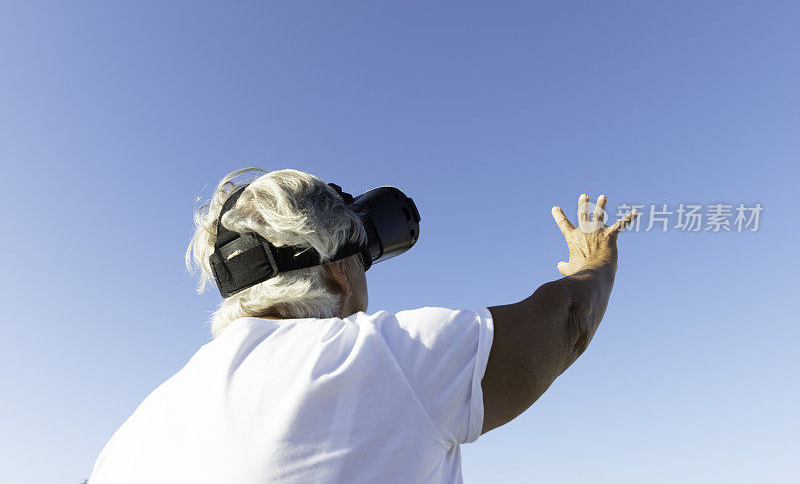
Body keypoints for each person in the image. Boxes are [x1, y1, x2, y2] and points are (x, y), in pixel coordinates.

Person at [88, 167, 638, 484]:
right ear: (338, 275)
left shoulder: (135, 433)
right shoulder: (377, 361)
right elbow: (568, 322)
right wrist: (596, 261)